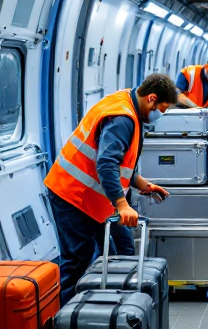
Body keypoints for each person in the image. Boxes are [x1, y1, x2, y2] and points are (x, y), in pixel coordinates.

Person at [44, 74, 177, 301]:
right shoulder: (122, 118)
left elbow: (118, 161)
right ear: (152, 98)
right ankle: (61, 321)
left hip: (93, 198)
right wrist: (122, 204)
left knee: (121, 249)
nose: (160, 115)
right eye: (161, 109)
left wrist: (140, 182)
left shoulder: (127, 99)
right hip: (72, 194)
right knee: (77, 259)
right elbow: (106, 163)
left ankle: (113, 306)